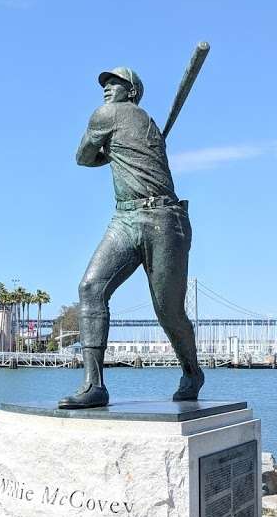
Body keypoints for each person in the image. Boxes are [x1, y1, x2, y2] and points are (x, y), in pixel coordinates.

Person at [59, 67, 204, 409]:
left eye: (116, 83)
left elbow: (82, 157)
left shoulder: (108, 116)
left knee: (168, 311)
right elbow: (86, 160)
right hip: (125, 217)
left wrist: (105, 150)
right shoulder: (141, 123)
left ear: (133, 91)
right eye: (105, 85)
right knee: (91, 288)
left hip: (164, 219)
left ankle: (192, 371)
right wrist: (113, 150)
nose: (107, 89)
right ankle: (94, 385)